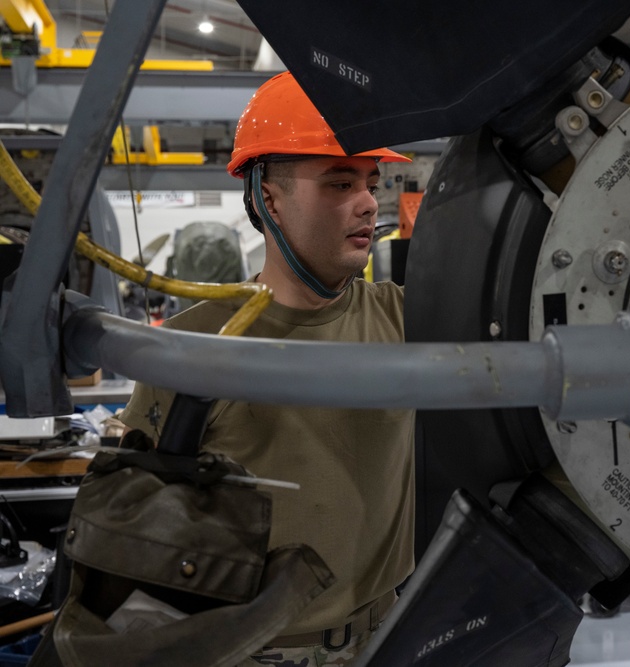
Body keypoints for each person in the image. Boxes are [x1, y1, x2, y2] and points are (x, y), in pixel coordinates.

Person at [117, 70, 415, 666]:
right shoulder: (192, 348)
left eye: (370, 182)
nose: (367, 202)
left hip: (392, 639)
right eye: (338, 182)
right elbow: (134, 542)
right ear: (266, 198)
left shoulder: (407, 319)